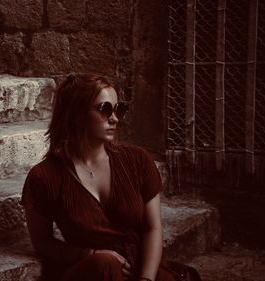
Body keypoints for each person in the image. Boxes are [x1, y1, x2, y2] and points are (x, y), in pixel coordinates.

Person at [20, 73, 178, 281]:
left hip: (140, 270)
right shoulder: (44, 177)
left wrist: (146, 279)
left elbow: (153, 227)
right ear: (76, 113)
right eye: (105, 109)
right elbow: (43, 242)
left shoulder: (137, 160)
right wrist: (90, 254)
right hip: (92, 272)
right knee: (106, 265)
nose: (114, 118)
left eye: (119, 109)